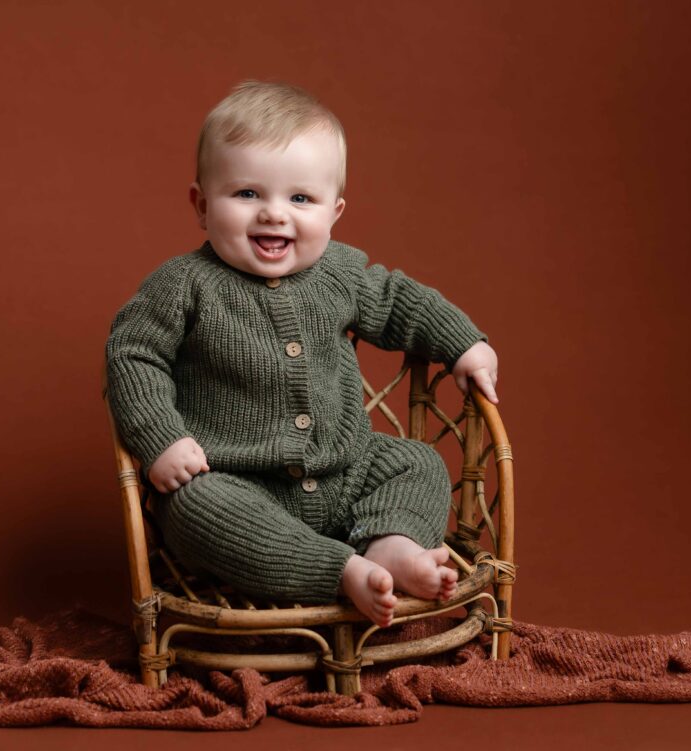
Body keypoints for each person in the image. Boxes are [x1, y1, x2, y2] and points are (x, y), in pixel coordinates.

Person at [106, 81, 499, 627]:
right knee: (195, 509)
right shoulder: (183, 284)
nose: (273, 214)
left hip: (343, 472)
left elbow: (396, 300)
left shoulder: (337, 272)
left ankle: (391, 543)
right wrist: (162, 439)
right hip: (237, 483)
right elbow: (132, 354)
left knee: (419, 462)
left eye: (300, 198)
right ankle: (340, 571)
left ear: (334, 212)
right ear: (201, 205)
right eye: (246, 194)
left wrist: (464, 342)